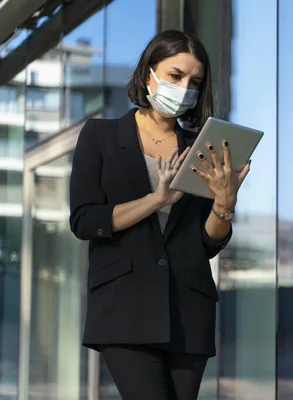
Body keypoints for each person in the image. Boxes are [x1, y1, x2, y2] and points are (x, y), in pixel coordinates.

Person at [69, 29, 250, 400]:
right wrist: (156, 199)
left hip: (188, 311)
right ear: (148, 72)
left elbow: (207, 243)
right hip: (125, 309)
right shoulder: (100, 136)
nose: (185, 87)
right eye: (175, 75)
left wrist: (224, 203)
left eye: (195, 81)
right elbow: (85, 221)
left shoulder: (202, 148)